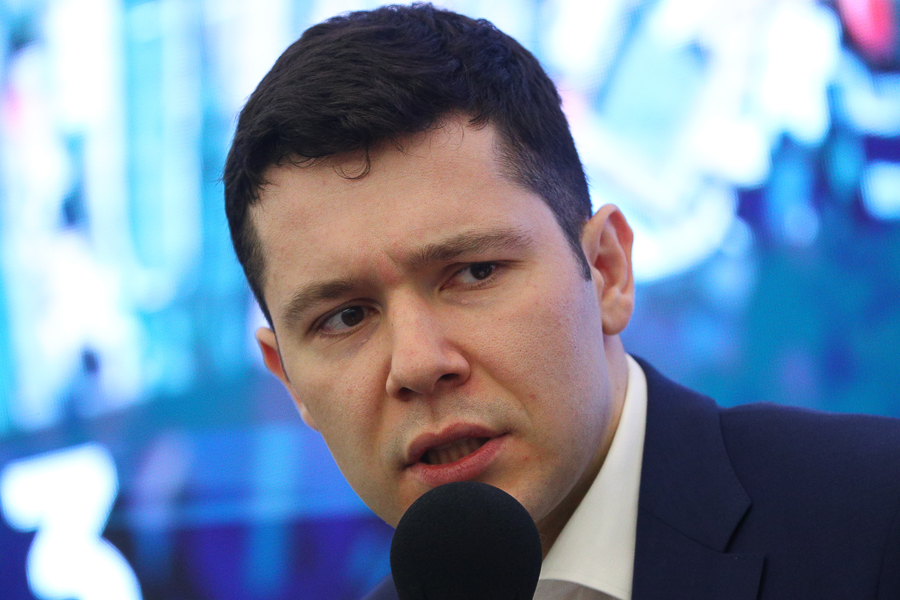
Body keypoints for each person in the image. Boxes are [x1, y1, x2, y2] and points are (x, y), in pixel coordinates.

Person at [223, 4, 900, 599]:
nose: (419, 364)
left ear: (607, 271)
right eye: (345, 318)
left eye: (474, 273)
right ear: (289, 380)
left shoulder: (876, 518)